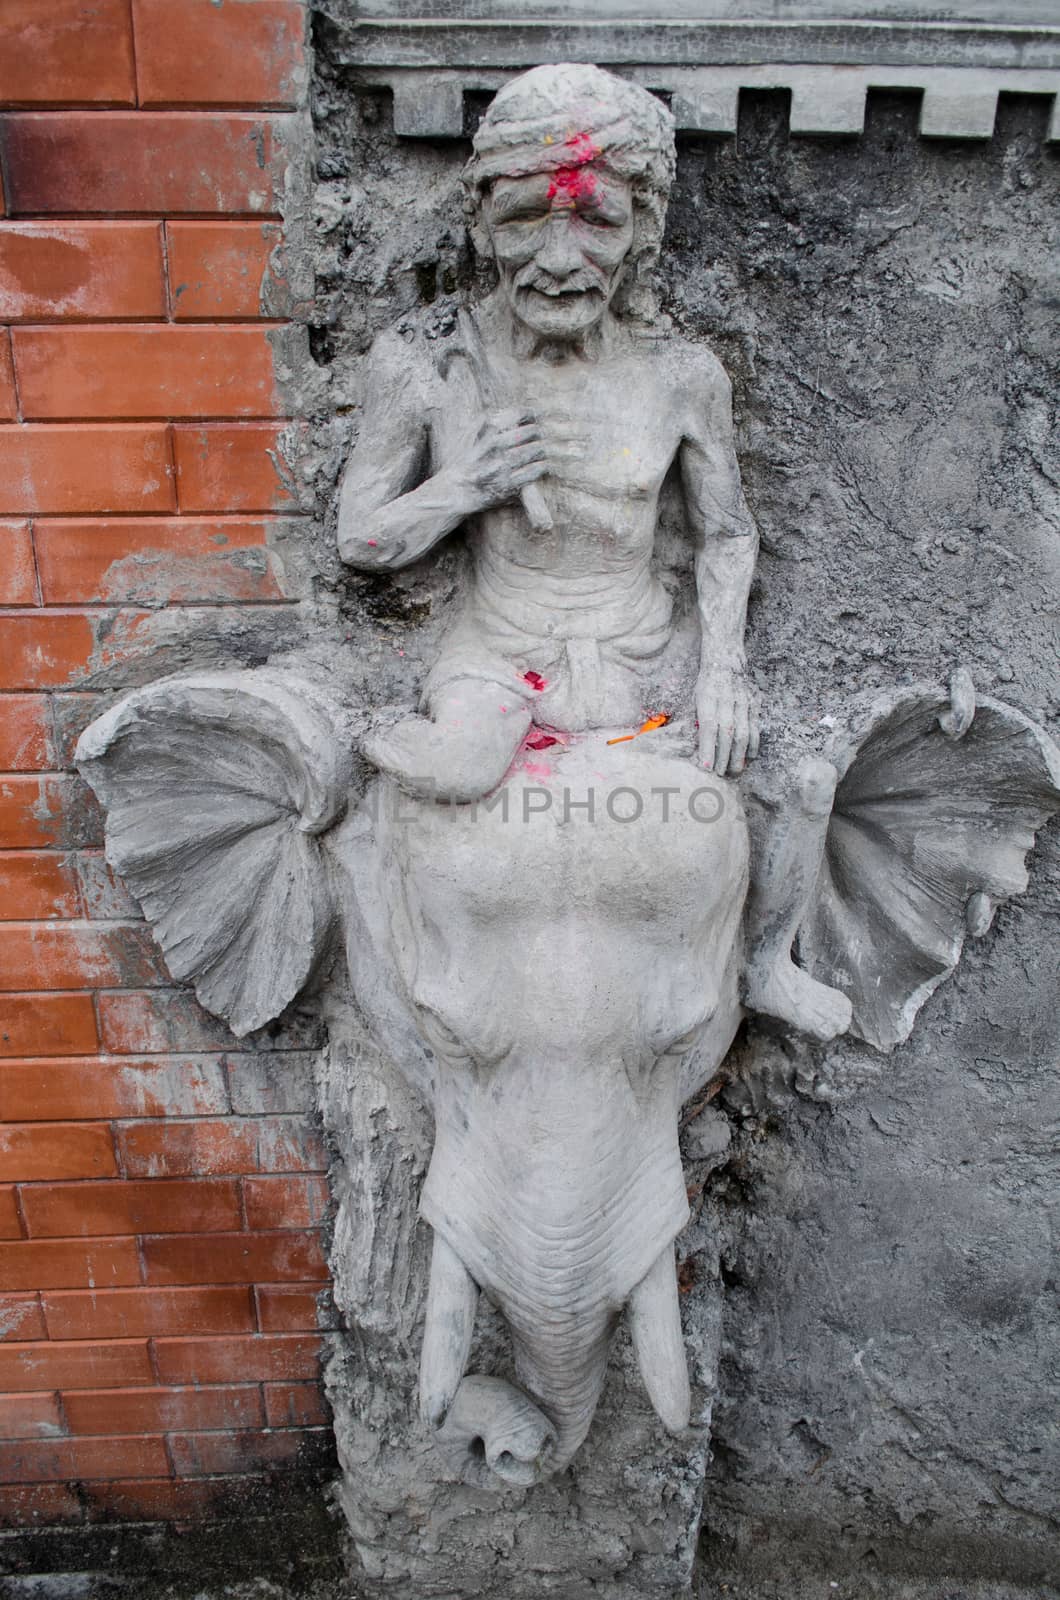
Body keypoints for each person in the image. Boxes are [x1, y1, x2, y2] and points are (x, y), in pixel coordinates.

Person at [338, 62, 851, 1040]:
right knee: (451, 773)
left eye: (597, 222)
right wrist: (462, 487)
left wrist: (723, 671)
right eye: (528, 219)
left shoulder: (679, 378)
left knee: (802, 787)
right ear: (483, 225)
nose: (560, 258)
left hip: (643, 654)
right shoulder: (427, 364)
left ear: (641, 234)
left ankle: (759, 962)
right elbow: (360, 539)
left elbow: (725, 530)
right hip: (497, 659)